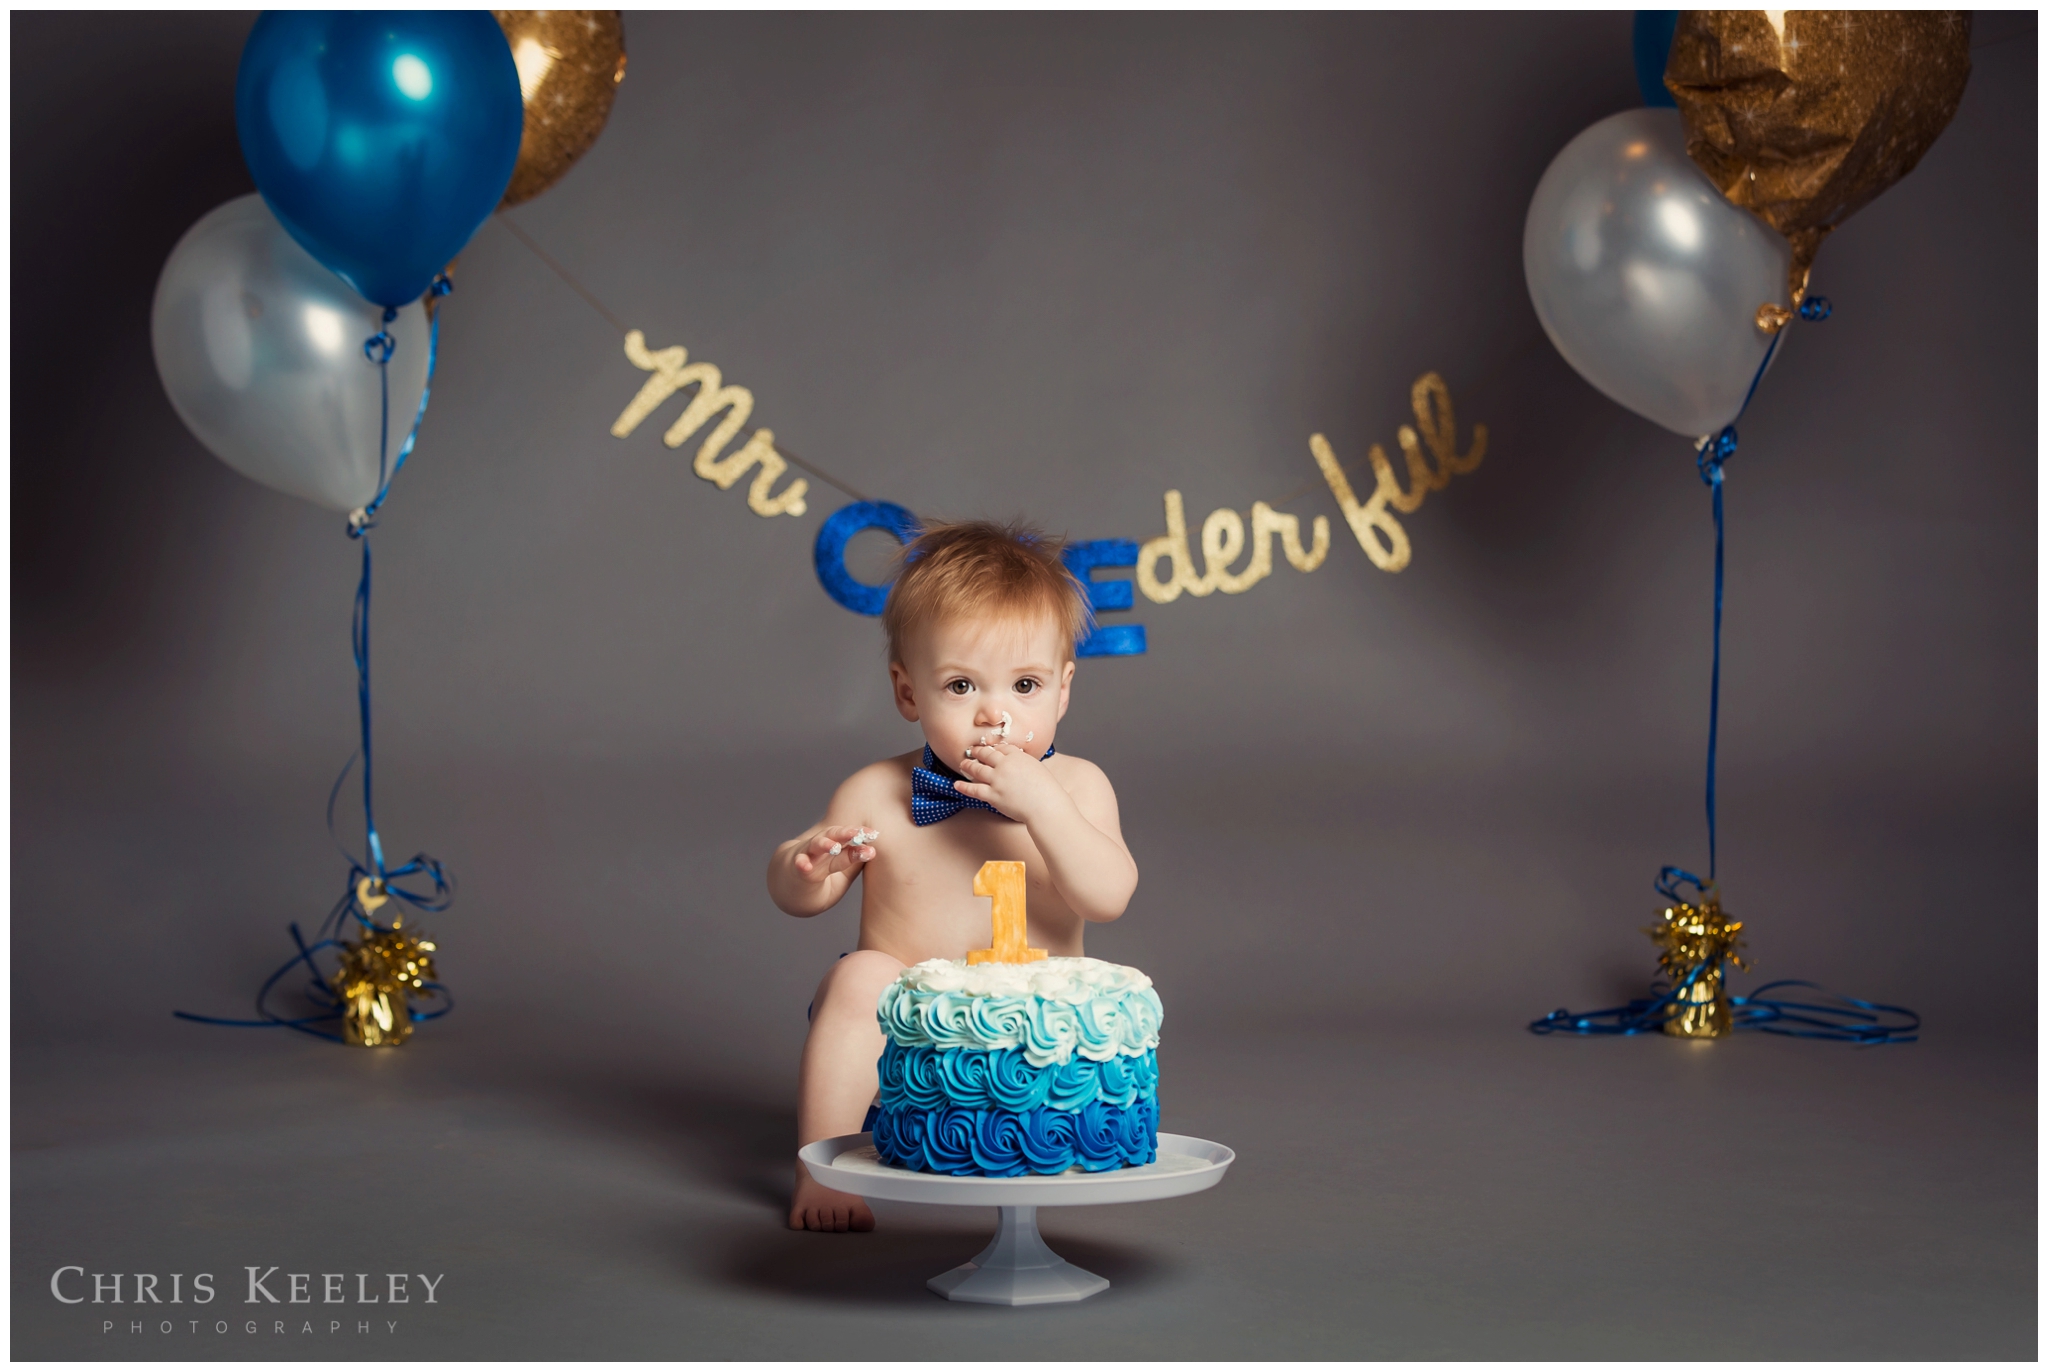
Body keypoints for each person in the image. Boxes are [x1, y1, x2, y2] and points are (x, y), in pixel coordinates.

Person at [767, 520, 1140, 1232]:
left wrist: (1045, 808)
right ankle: (821, 1171)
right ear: (909, 694)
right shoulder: (877, 790)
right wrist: (808, 864)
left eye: (1025, 684)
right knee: (858, 978)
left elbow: (1109, 895)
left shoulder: (1081, 787)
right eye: (961, 685)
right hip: (900, 1053)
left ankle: (1047, 1152)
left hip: (1030, 1059)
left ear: (1063, 691)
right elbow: (799, 899)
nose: (995, 713)